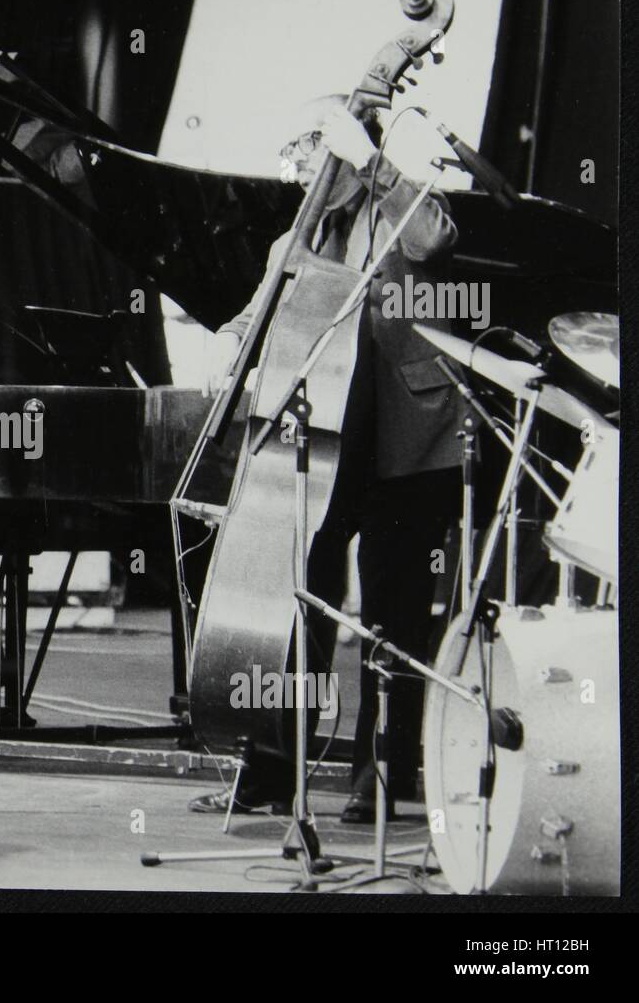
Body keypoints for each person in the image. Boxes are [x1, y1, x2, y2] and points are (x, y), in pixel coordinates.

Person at [192, 95, 461, 823]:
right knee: (297, 607)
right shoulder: (298, 236)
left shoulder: (401, 203)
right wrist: (229, 339)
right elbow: (259, 313)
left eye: (316, 144)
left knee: (393, 614)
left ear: (346, 149)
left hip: (406, 442)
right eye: (303, 147)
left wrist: (374, 162)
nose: (304, 162)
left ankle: (382, 774)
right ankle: (275, 765)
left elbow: (437, 238)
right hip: (325, 442)